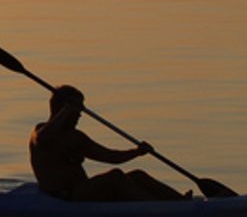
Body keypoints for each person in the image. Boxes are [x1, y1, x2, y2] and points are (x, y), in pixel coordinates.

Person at [29, 84, 187, 202]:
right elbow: (43, 139)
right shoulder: (40, 132)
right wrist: (67, 110)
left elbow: (110, 157)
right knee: (115, 176)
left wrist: (137, 151)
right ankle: (154, 208)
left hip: (83, 190)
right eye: (77, 111)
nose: (80, 115)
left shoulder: (77, 137)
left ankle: (181, 202)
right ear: (63, 109)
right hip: (65, 196)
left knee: (138, 176)